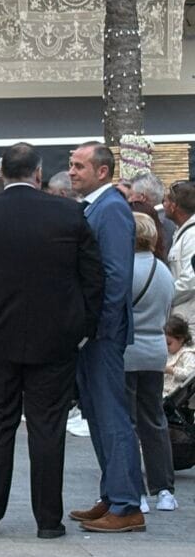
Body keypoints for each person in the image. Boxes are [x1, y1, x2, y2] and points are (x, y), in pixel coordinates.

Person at [0, 143, 104, 539]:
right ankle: (48, 520)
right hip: (55, 341)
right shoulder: (69, 213)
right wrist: (83, 328)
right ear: (38, 173)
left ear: (1, 173)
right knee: (47, 427)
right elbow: (93, 278)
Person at [67, 141, 146, 533]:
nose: (72, 171)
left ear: (102, 171)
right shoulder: (95, 207)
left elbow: (116, 276)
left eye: (80, 165)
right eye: (71, 164)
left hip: (102, 333)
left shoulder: (112, 209)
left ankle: (127, 503)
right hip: (93, 332)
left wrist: (97, 327)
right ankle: (113, 495)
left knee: (111, 416)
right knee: (98, 416)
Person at [123, 213, 177, 513]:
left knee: (127, 422)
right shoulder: (164, 271)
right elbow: (168, 310)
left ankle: (136, 490)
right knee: (154, 420)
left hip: (128, 350)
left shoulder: (124, 269)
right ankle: (164, 489)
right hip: (156, 349)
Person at [164, 181, 195, 316]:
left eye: (165, 201)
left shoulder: (192, 235)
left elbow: (190, 281)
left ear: (173, 206)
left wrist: (162, 297)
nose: (163, 205)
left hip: (189, 318)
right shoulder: (181, 232)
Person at [165, 315, 195, 397]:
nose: (165, 346)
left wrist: (172, 370)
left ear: (181, 339)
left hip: (174, 393)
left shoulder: (187, 354)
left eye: (169, 343)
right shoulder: (169, 353)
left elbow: (190, 374)